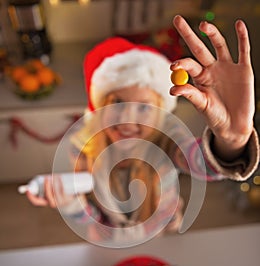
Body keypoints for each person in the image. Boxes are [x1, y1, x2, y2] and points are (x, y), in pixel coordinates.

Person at [26, 15, 259, 242]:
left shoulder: (167, 139)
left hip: (161, 234)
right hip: (108, 240)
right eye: (118, 102)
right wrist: (72, 204)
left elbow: (198, 161)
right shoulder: (83, 148)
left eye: (144, 108)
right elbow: (94, 218)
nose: (128, 120)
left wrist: (231, 140)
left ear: (160, 114)